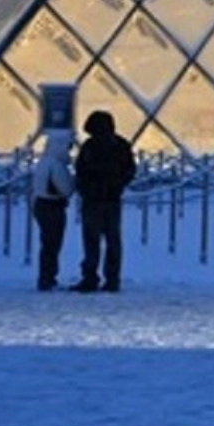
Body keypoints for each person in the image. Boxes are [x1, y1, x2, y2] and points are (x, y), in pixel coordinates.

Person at [73, 110, 136, 293]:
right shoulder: (121, 145)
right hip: (112, 199)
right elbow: (130, 170)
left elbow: (80, 171)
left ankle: (90, 278)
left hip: (93, 200)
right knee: (112, 240)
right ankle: (112, 279)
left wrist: (86, 188)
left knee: (91, 241)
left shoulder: (90, 146)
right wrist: (117, 185)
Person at [32, 130, 77, 292]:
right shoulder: (57, 166)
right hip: (53, 207)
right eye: (69, 146)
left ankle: (45, 277)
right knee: (53, 245)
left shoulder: (44, 162)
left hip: (41, 205)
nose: (71, 150)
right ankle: (48, 278)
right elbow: (67, 190)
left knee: (47, 244)